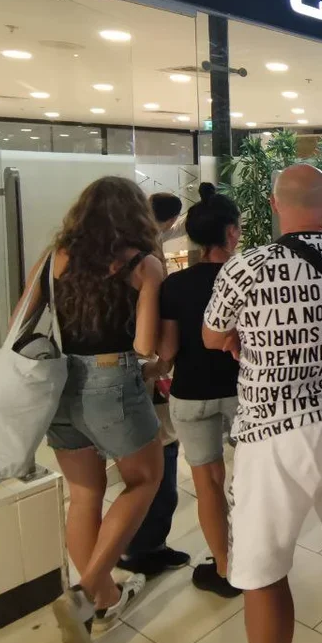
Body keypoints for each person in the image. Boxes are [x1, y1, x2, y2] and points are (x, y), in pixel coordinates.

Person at [203, 164, 322, 643]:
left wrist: (242, 335)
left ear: (274, 205)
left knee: (263, 567)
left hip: (271, 430)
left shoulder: (245, 267)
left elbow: (211, 336)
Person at [19, 177, 165, 643]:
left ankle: (103, 598)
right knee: (144, 479)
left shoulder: (54, 258)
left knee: (84, 494)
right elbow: (143, 346)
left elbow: (22, 318)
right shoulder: (143, 265)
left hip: (59, 382)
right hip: (111, 380)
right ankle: (85, 591)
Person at [152, 183, 242, 598]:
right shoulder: (248, 281)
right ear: (231, 232)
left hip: (190, 394)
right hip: (243, 393)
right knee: (251, 479)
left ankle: (223, 569)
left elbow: (167, 352)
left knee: (208, 483)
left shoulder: (175, 285)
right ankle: (255, 559)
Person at [118, 192, 193, 580]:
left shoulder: (94, 257)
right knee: (162, 457)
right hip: (142, 374)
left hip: (101, 378)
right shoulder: (148, 262)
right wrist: (162, 363)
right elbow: (154, 342)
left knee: (128, 471)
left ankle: (123, 545)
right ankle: (146, 547)